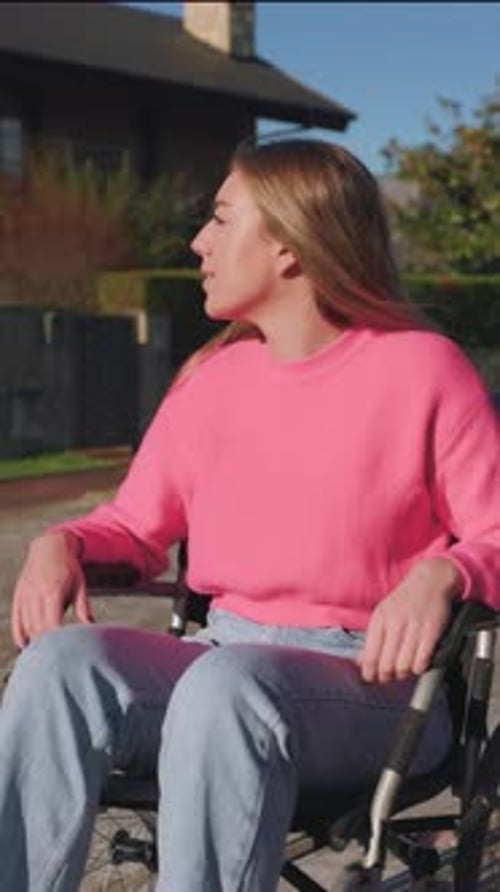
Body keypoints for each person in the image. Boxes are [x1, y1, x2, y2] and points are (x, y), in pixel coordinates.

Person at [1, 138, 499, 892]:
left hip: (379, 686)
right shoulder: (212, 379)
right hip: (222, 665)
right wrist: (59, 539)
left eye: (221, 220)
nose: (198, 242)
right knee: (56, 667)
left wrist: (446, 570)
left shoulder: (423, 369)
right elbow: (136, 526)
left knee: (227, 684)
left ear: (291, 248)